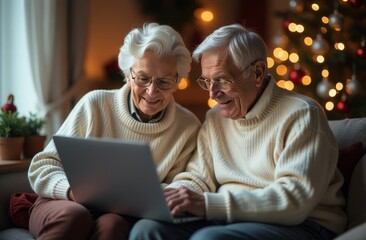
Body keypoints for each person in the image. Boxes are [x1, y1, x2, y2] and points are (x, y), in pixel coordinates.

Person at [129, 23, 347, 240]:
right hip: (230, 219)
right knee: (148, 229)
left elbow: (294, 200)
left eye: (222, 80)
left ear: (258, 72)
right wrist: (174, 195)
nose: (213, 93)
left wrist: (208, 204)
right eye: (207, 81)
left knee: (209, 239)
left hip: (304, 225)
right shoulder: (215, 118)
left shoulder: (302, 116)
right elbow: (198, 177)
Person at [27, 22, 201, 240]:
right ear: (128, 75)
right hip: (64, 201)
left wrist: (145, 197)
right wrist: (73, 192)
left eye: (164, 81)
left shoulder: (187, 126)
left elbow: (184, 183)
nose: (152, 91)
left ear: (177, 81)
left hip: (122, 213)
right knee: (74, 216)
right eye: (143, 78)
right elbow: (43, 165)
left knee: (113, 226)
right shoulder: (95, 104)